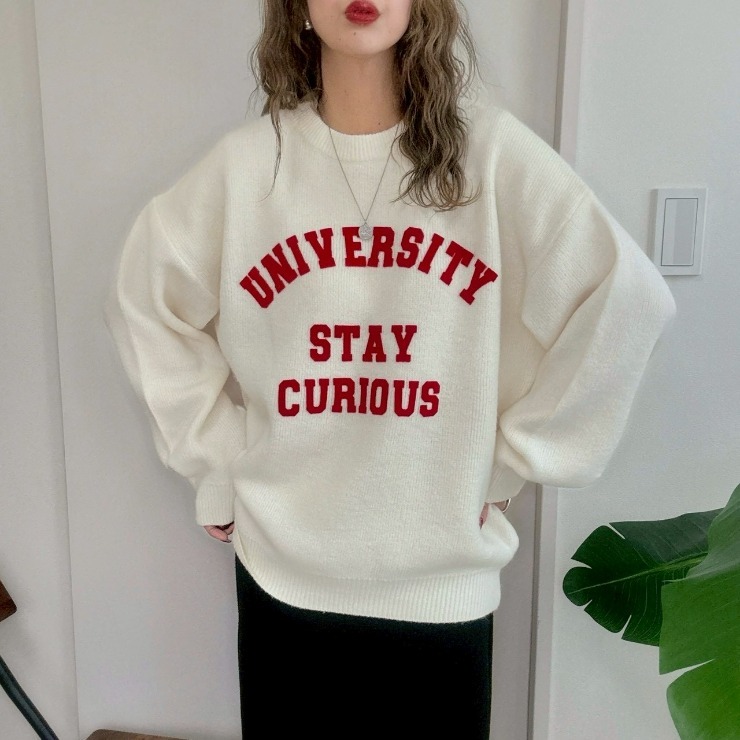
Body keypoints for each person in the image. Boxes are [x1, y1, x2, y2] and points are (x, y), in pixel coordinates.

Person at [103, 1, 677, 737]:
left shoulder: (489, 156)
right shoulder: (250, 166)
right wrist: (214, 460)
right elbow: (144, 300)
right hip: (286, 578)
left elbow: (624, 299)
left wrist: (516, 459)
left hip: (441, 584)